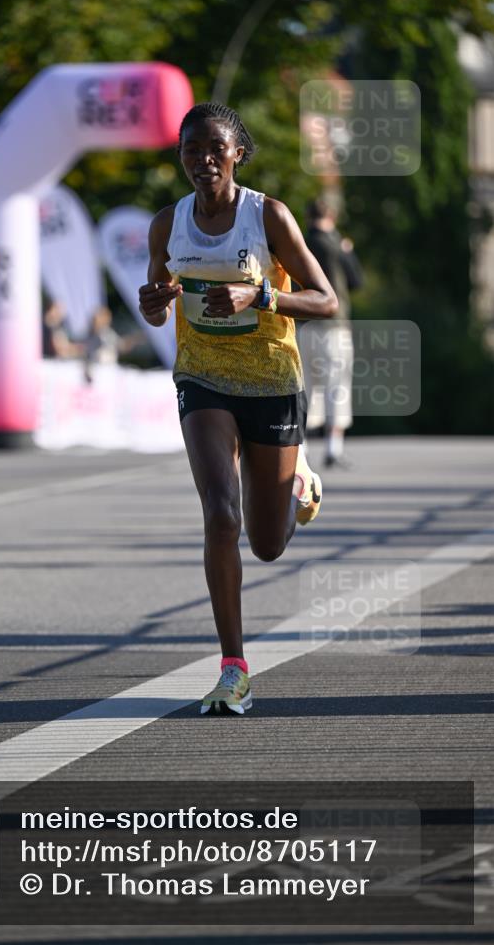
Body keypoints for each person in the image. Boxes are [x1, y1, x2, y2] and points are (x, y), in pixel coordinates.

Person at [138, 102, 338, 716]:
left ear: (237, 155)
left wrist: (262, 295)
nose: (202, 161)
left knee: (269, 543)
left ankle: (298, 473)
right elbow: (155, 309)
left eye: (214, 150)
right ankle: (233, 667)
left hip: (273, 382)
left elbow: (325, 300)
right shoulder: (167, 224)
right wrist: (154, 302)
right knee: (221, 516)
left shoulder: (267, 215)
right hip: (202, 380)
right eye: (191, 150)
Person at [301, 197, 364, 468]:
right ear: (332, 216)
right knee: (335, 387)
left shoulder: (299, 242)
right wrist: (348, 251)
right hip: (333, 325)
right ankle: (332, 448)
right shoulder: (336, 245)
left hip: (302, 323)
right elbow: (356, 282)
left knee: (303, 387)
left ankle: (299, 451)